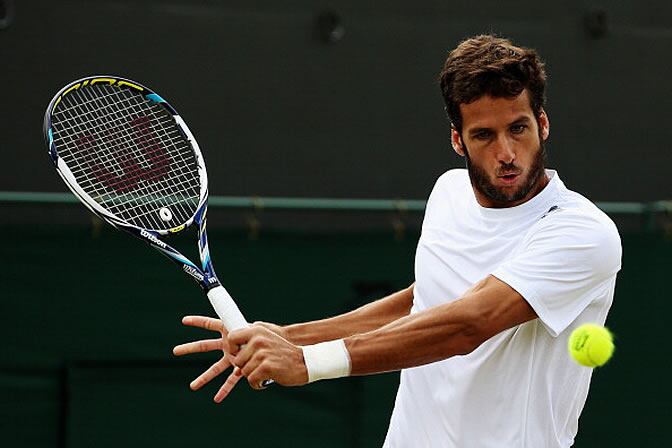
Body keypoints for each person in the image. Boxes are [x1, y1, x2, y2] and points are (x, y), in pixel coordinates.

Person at [173, 34, 622, 447]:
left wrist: (308, 363)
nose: (505, 152)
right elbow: (424, 301)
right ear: (458, 141)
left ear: (543, 124)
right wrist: (290, 337)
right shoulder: (448, 194)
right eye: (484, 135)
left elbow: (468, 324)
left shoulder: (583, 234)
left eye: (518, 128)